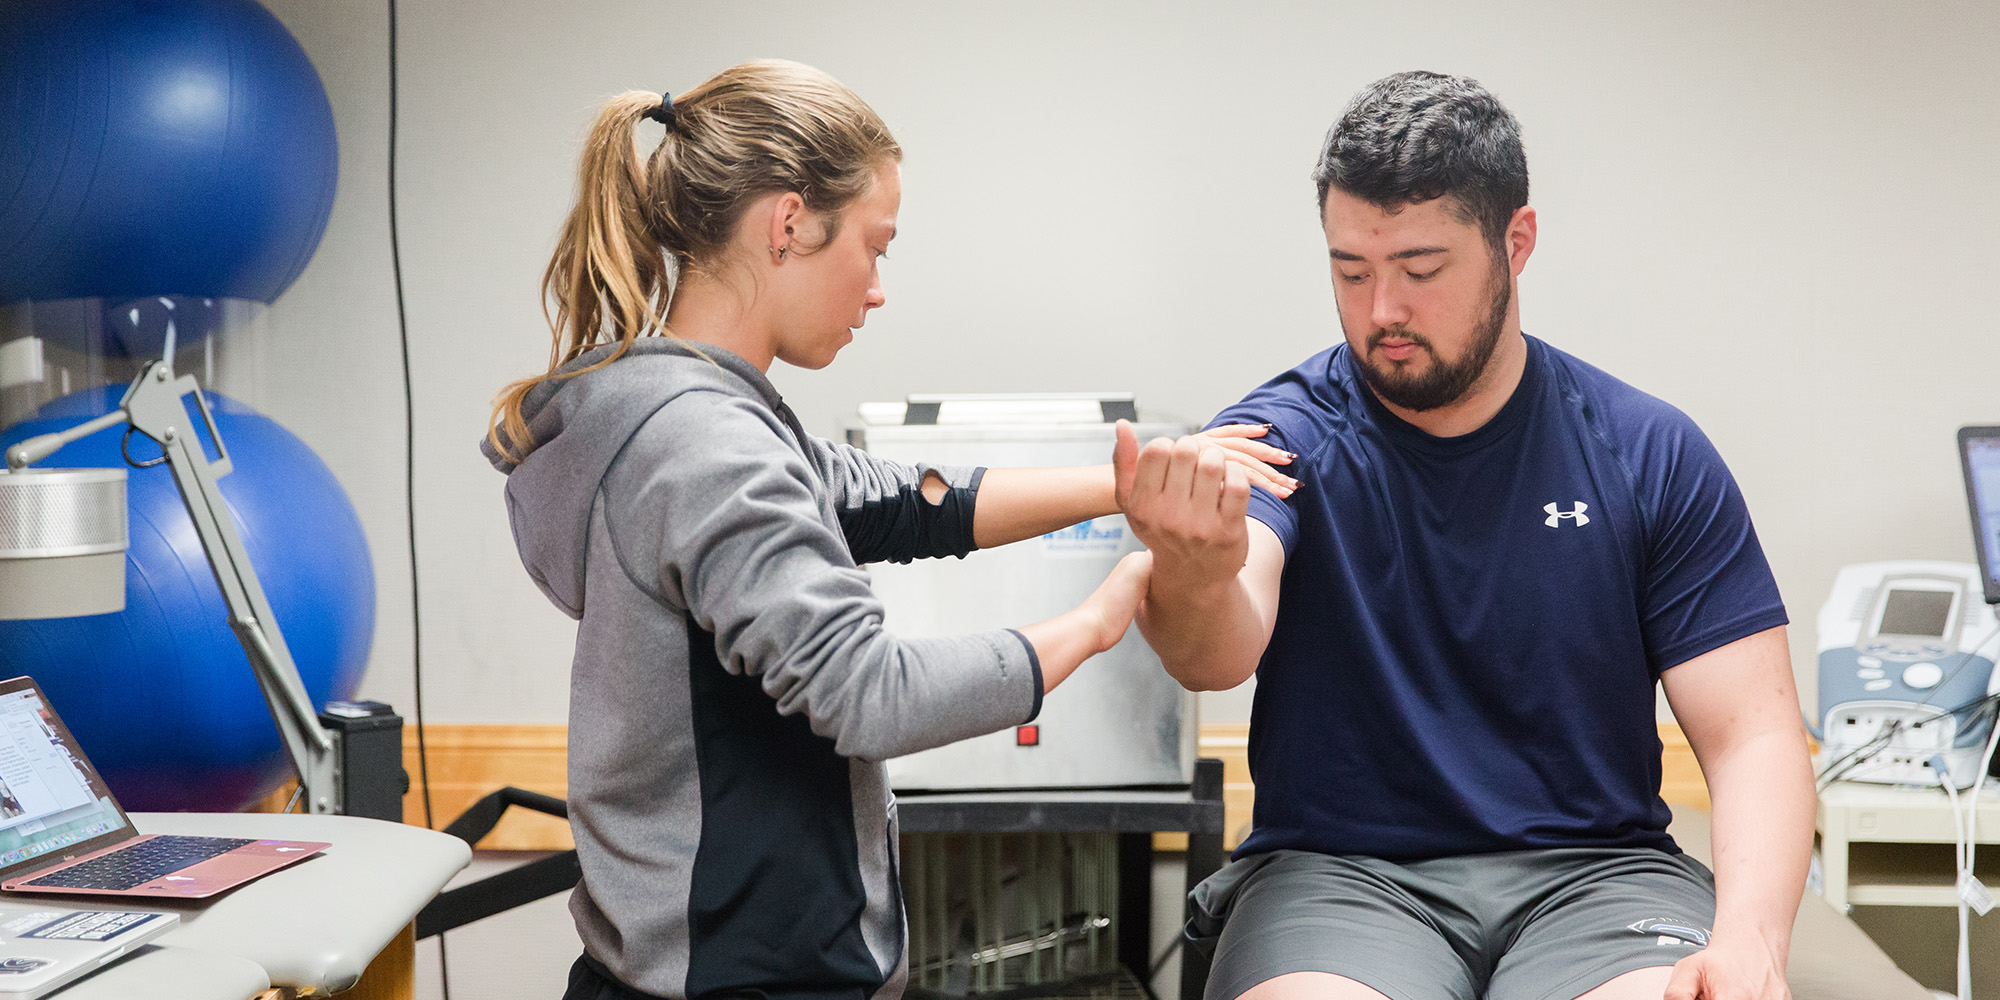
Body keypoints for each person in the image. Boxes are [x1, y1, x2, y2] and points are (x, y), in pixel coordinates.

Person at [480, 61, 1286, 1000]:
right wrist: (1098, 621)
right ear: (789, 224)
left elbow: (900, 498)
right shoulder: (705, 445)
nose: (877, 289)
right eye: (875, 245)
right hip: (742, 977)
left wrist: (1127, 482)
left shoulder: (674, 411)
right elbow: (870, 692)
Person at [1114, 71, 1814, 1000]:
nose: (1381, 312)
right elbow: (1216, 653)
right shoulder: (1281, 437)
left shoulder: (1647, 451)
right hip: (1342, 878)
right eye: (1350, 271)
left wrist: (1752, 943)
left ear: (1515, 243)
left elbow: (1754, 736)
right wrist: (1196, 574)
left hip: (1595, 879)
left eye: (1420, 270)